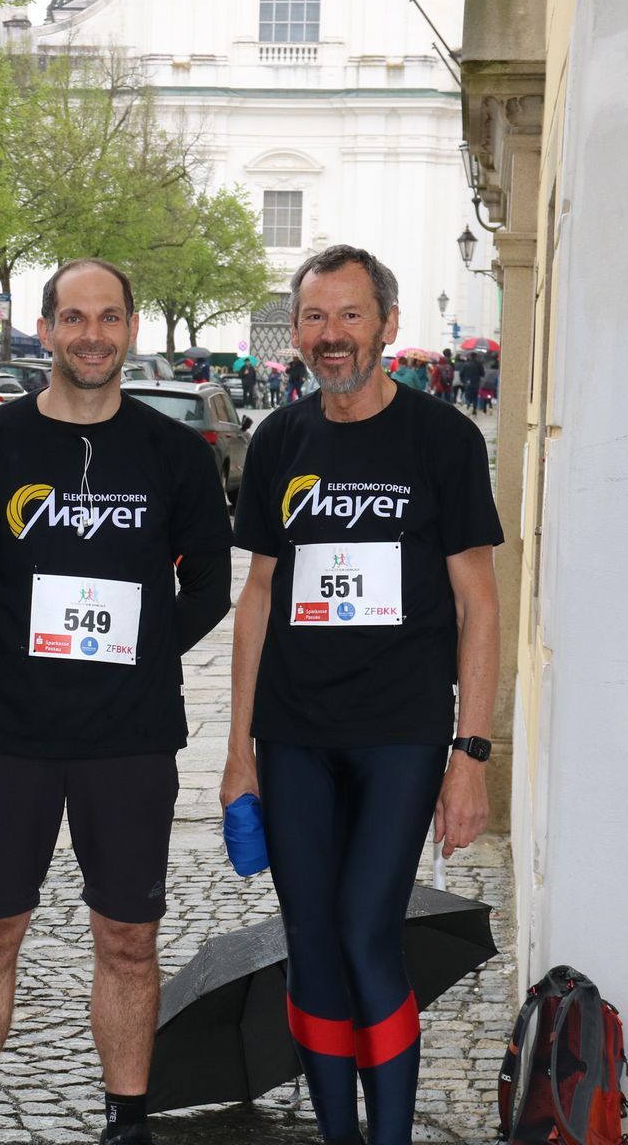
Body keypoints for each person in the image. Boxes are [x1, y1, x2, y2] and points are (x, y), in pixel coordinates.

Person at [0, 260, 233, 1145]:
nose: (91, 335)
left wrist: (139, 656)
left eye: (108, 318)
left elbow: (211, 588)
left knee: (129, 937)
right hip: (8, 730)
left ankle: (127, 1118)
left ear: (132, 328)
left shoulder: (177, 453)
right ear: (47, 327)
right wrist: (11, 649)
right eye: (73, 317)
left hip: (130, 733)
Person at [217, 245, 502, 1145]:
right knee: (311, 939)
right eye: (314, 317)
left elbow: (478, 605)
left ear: (387, 323)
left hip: (401, 734)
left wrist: (471, 753)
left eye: (349, 316)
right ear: (296, 329)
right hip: (296, 733)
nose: (330, 336)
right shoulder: (280, 440)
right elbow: (258, 592)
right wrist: (237, 752)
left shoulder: (442, 439)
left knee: (366, 930)